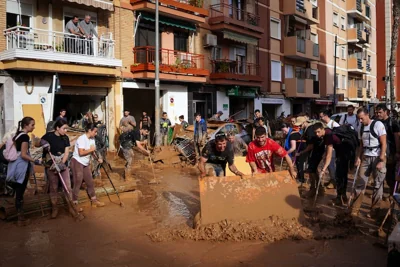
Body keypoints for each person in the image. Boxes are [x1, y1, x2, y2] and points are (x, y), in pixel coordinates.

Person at [351, 108, 387, 218]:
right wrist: (358, 157)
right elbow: (361, 145)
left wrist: (381, 160)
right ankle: (355, 209)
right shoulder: (360, 128)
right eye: (359, 119)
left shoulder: (378, 124)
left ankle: (374, 210)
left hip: (377, 157)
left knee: (377, 184)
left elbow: (384, 143)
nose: (360, 121)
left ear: (367, 115)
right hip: (366, 157)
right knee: (360, 182)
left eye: (361, 118)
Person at [6, 117, 42, 226]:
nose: (34, 127)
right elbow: (23, 154)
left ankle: (19, 216)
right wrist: (35, 161)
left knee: (18, 191)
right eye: (32, 125)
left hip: (14, 166)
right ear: (26, 125)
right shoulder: (25, 137)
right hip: (21, 167)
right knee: (20, 193)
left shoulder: (17, 135)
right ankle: (20, 219)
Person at [314, 122, 357, 205]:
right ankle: (342, 196)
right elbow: (327, 151)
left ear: (323, 129)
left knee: (340, 175)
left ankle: (340, 197)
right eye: (315, 132)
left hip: (345, 153)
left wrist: (323, 169)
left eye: (318, 132)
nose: (317, 134)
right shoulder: (327, 131)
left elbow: (329, 155)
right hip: (343, 152)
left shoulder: (329, 135)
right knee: (342, 175)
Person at [40, 120, 73, 219]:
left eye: (66, 128)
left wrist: (62, 164)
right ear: (57, 128)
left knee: (67, 187)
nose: (65, 130)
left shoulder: (65, 138)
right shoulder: (48, 136)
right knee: (53, 188)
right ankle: (55, 208)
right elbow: (37, 143)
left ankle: (71, 206)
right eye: (64, 128)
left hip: (62, 164)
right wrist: (43, 142)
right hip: (51, 164)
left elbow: (67, 152)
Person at [71, 123, 105, 209]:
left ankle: (94, 200)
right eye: (95, 131)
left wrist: (97, 159)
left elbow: (92, 152)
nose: (96, 133)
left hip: (85, 163)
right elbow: (81, 152)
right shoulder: (82, 139)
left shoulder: (92, 139)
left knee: (90, 181)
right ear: (89, 130)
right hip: (77, 161)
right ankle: (74, 202)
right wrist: (91, 149)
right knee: (78, 181)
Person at [296, 119, 326, 197]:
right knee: (313, 171)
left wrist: (301, 152)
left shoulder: (310, 130)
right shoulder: (308, 129)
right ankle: (319, 189)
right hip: (317, 152)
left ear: (304, 122)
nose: (299, 127)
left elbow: (310, 146)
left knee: (312, 171)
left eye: (300, 125)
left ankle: (314, 189)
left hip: (318, 153)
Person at [375, 104, 400, 196]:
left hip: (390, 152)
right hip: (379, 152)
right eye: (377, 112)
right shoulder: (376, 122)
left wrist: (397, 152)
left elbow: (397, 138)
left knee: (390, 174)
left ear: (386, 112)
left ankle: (392, 193)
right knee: (379, 174)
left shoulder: (393, 123)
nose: (378, 114)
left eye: (380, 112)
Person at [283, 117, 307, 184]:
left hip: (302, 151)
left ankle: (301, 180)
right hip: (302, 150)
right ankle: (300, 179)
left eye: (284, 131)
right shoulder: (300, 132)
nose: (283, 132)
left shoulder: (293, 134)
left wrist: (285, 153)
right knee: (298, 164)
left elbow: (293, 148)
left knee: (299, 165)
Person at [319, 109, 339, 189]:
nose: (320, 118)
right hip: (327, 146)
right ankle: (332, 179)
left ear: (326, 116)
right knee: (327, 163)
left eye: (321, 117)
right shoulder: (324, 124)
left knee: (331, 164)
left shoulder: (334, 124)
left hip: (334, 148)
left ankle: (334, 181)